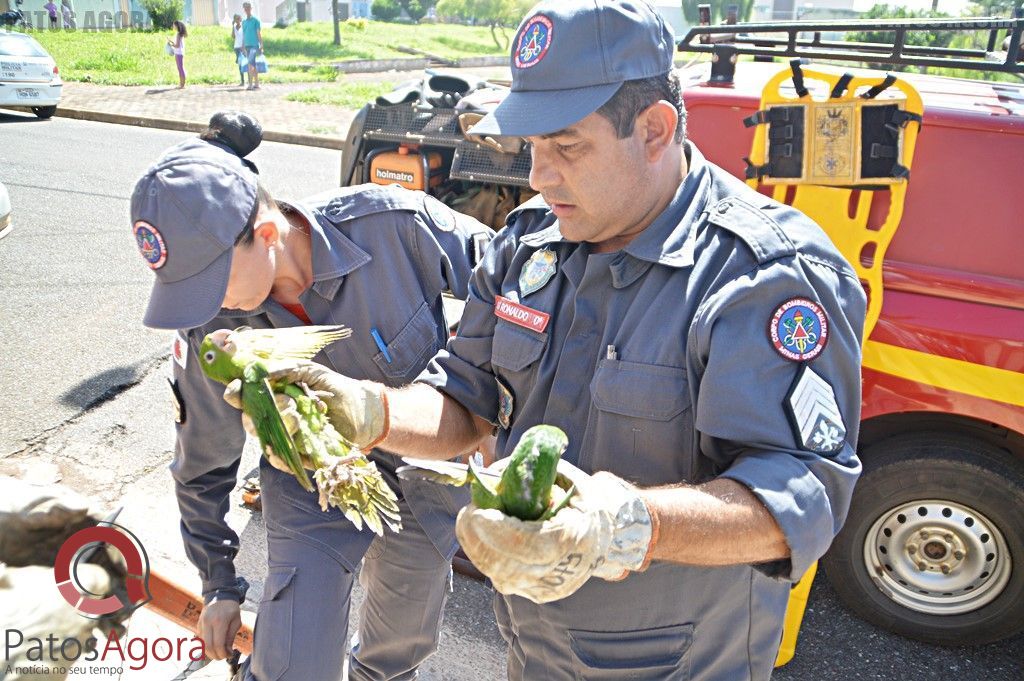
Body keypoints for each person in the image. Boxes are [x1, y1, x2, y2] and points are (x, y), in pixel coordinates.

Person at [252, 1, 868, 679]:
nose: (539, 174)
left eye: (566, 145)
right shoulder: (529, 243)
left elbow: (798, 497)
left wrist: (628, 524)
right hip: (532, 645)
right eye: (533, 147)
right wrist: (372, 412)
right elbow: (468, 398)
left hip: (677, 663)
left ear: (654, 130)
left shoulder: (759, 275)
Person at [128, 111, 494, 681]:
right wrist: (219, 582)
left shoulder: (393, 226)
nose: (203, 303)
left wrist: (491, 406)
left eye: (211, 279)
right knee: (293, 660)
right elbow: (202, 462)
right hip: (310, 484)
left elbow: (518, 294)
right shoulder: (213, 326)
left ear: (266, 236)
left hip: (422, 471)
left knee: (400, 643)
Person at [240, 2, 262, 90]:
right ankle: (257, 83)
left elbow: (258, 33)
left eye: (248, 8)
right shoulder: (244, 22)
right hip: (247, 46)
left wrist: (261, 44)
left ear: (251, 8)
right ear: (244, 10)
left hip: (254, 46)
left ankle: (250, 84)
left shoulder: (256, 21)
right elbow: (244, 34)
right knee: (253, 64)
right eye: (245, 8)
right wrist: (242, 45)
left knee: (250, 64)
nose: (247, 10)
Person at [168, 20, 187, 89]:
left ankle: (182, 85)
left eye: (174, 25)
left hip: (179, 53)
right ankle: (181, 84)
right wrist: (171, 42)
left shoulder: (178, 34)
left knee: (180, 68)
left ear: (176, 26)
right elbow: (178, 44)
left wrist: (171, 44)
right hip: (178, 53)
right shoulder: (179, 34)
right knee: (180, 68)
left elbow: (177, 45)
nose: (173, 26)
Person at [231, 13, 245, 86]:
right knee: (240, 64)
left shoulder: (243, 27)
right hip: (236, 47)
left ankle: (248, 79)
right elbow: (233, 36)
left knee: (244, 63)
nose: (237, 20)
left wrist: (243, 46)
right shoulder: (234, 27)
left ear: (240, 19)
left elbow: (245, 37)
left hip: (242, 48)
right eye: (236, 19)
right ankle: (242, 81)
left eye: (238, 19)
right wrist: (232, 26)